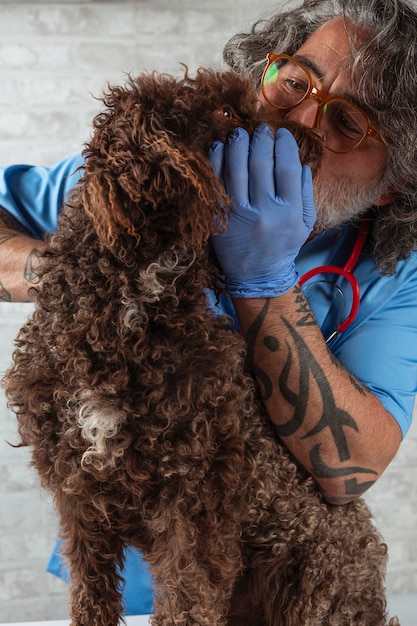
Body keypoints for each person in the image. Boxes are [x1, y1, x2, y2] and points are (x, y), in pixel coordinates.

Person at [1, 0, 417, 614]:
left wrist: (263, 281)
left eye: (347, 123)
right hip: (130, 568)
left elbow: (350, 469)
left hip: (270, 592)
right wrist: (91, 273)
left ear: (392, 185)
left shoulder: (396, 274)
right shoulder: (155, 173)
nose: (298, 119)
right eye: (295, 80)